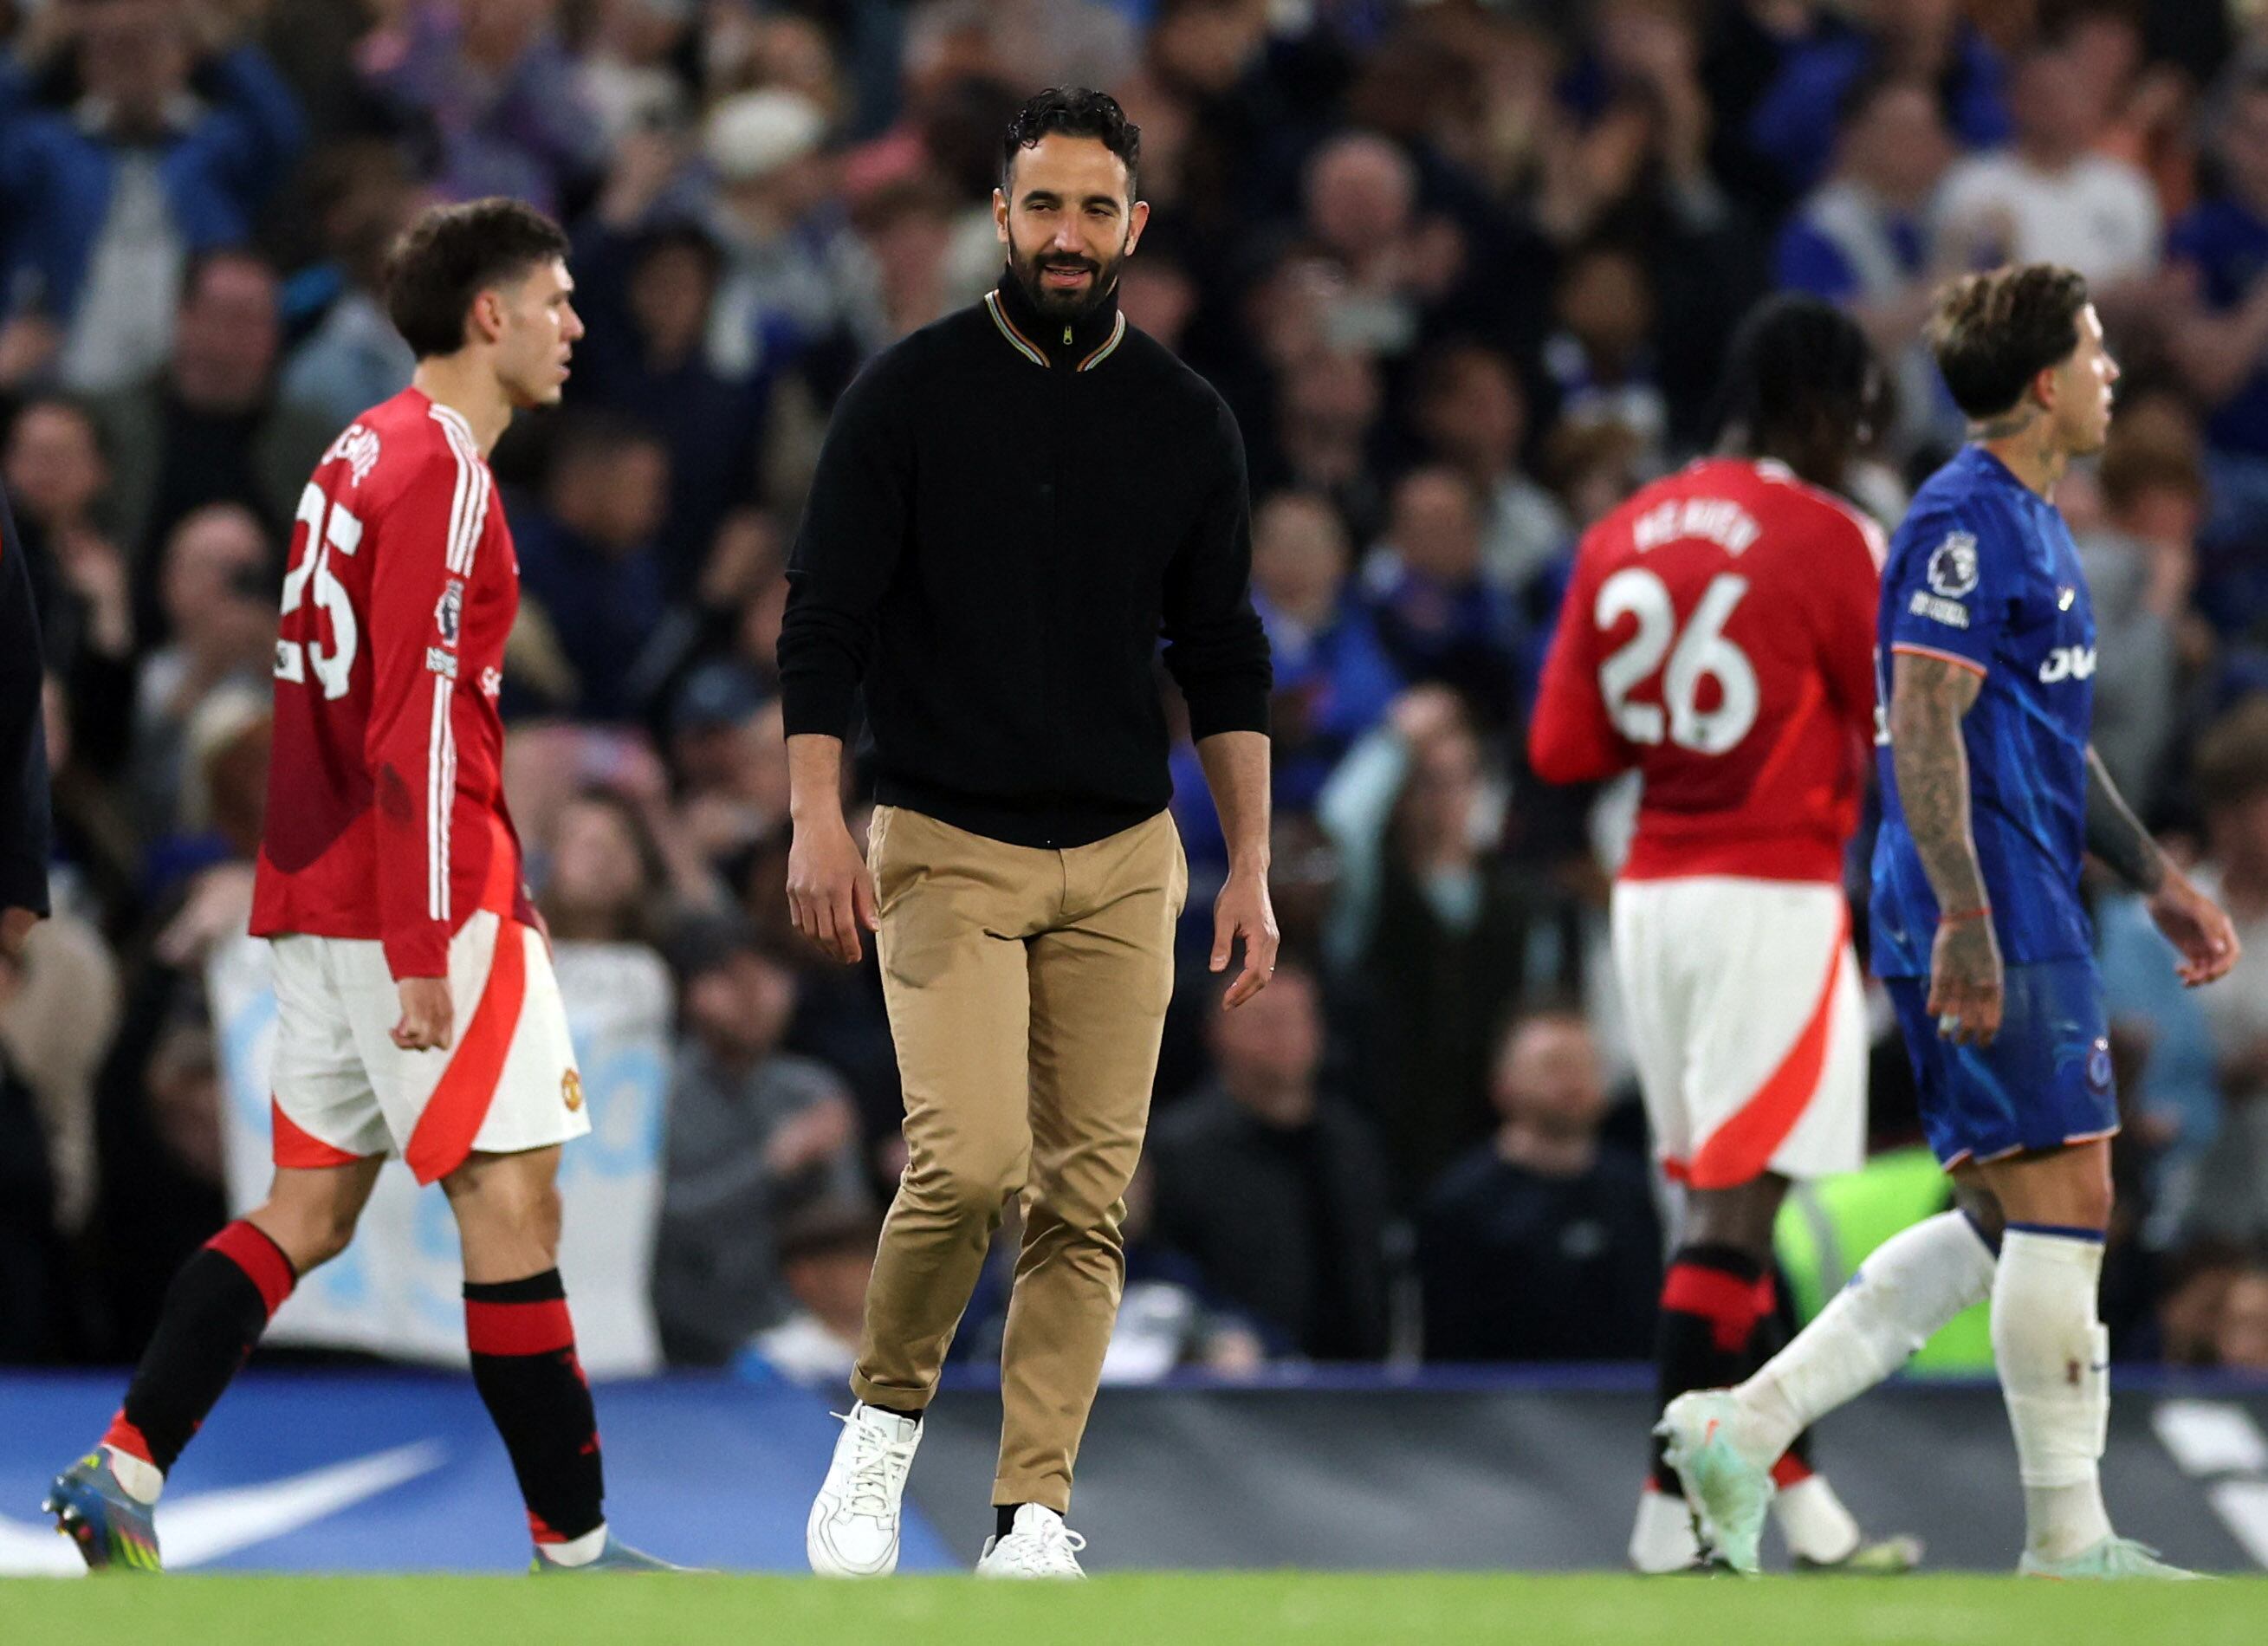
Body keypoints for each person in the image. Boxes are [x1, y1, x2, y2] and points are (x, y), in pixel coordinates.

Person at [42, 198, 676, 1574]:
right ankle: (576, 1560)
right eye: (557, 301)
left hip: (317, 893)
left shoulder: (352, 451)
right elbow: (418, 726)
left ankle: (124, 1468)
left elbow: (329, 708)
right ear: (489, 315)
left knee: (308, 1211)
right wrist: (423, 938)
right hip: (420, 905)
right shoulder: (446, 471)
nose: (576, 327)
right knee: (514, 1206)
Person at [1662, 264, 2240, 1580]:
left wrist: (2152, 873)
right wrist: (1968, 915)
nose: (2110, 373)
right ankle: (2065, 1540)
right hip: (1985, 896)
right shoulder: (1963, 520)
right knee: (2069, 1194)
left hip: (2020, 883)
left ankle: (1737, 1431)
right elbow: (1919, 716)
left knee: (2000, 1213)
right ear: (2042, 383)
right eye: (2093, 353)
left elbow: (2038, 731)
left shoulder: (2031, 520)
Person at [780, 87, 1274, 1580]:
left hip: (1128, 851)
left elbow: (1223, 654)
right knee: (972, 1160)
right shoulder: (908, 394)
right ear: (996, 219)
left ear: (1135, 224)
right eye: (1041, 206)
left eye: (1094, 208)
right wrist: (814, 815)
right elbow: (824, 622)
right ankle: (878, 1430)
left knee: (1084, 1191)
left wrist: (1248, 861)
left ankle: (1032, 1512)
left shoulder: (1185, 418)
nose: (1067, 234)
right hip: (941, 836)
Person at [1529, 295, 1898, 1575]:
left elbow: (1562, 750)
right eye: (1855, 412)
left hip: (1651, 896)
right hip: (1770, 891)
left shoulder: (1617, 532)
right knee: (1733, 1225)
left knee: (1715, 1221)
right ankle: (1666, 1516)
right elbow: (1891, 719)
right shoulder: (1828, 533)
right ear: (1815, 405)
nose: (1863, 437)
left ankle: (1809, 1515)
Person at [1416, 1008, 1662, 1364]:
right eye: (1555, 1066)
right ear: (1503, 1085)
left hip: (1620, 1405)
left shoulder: (1633, 1190)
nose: (1574, 1082)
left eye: (1586, 1066)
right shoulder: (1463, 1203)